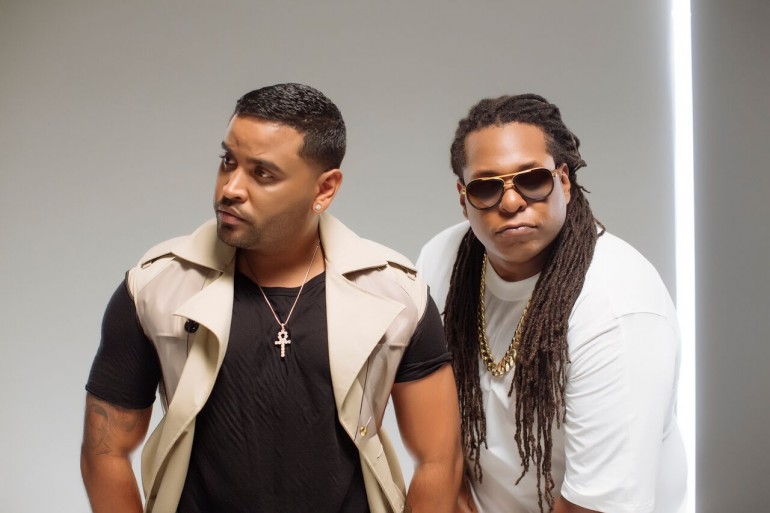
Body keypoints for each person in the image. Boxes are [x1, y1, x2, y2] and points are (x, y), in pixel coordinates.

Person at [81, 83, 463, 513]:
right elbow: (105, 451)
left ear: (325, 189)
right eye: (228, 162)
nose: (230, 188)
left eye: (262, 173)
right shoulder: (155, 288)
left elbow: (439, 459)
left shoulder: (395, 294)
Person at [416, 94, 686, 513]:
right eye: (486, 187)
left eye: (532, 180)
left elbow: (594, 507)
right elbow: (436, 430)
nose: (510, 203)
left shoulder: (616, 308)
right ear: (463, 198)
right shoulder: (442, 261)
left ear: (564, 181)